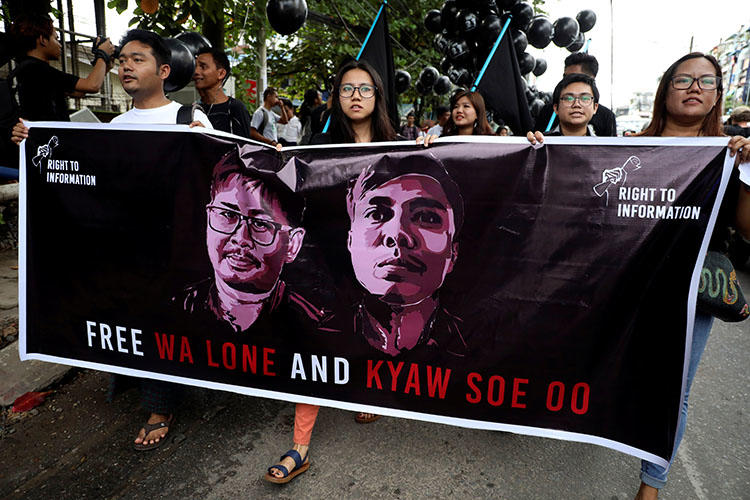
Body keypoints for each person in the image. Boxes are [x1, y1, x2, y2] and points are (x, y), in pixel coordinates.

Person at [12, 28, 214, 450]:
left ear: (163, 71)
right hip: (125, 251)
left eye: (137, 59)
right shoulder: (115, 126)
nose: (124, 65)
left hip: (172, 249)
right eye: (122, 59)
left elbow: (209, 181)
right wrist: (28, 144)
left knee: (163, 324)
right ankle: (144, 386)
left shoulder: (188, 120)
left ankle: (161, 406)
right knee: (132, 321)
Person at [266, 59, 400, 485]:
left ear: (377, 96)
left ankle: (365, 392)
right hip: (327, 258)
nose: (356, 95)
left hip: (377, 261)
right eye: (346, 88)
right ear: (335, 97)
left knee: (372, 327)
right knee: (316, 342)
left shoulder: (401, 145)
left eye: (364, 88)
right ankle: (299, 447)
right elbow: (283, 183)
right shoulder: (319, 144)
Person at [630, 52, 750, 500]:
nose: (694, 86)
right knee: (619, 367)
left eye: (706, 80)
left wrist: (749, 172)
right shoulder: (632, 148)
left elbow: (746, 229)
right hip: (632, 280)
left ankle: (651, 484)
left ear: (718, 94)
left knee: (673, 386)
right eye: (684, 79)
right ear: (666, 89)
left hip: (694, 289)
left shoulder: (731, 154)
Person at [177, 145, 331, 334]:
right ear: (208, 217)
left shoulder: (317, 328)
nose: (241, 238)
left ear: (293, 243)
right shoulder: (175, 308)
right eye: (227, 214)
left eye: (260, 224)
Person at [346, 154, 468, 359]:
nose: (397, 235)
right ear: (350, 240)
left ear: (453, 252)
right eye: (377, 215)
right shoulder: (316, 333)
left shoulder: (477, 345)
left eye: (427, 217)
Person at [8, 14, 115, 122]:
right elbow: (92, 86)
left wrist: (104, 67)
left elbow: (80, 92)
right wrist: (102, 55)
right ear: (43, 40)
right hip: (48, 136)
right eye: (56, 39)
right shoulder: (38, 70)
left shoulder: (27, 69)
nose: (60, 45)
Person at [535, 53, 617, 137]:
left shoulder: (606, 116)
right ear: (556, 108)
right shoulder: (548, 111)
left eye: (574, 77)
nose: (576, 104)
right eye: (565, 77)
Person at [192, 47, 252, 137]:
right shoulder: (194, 109)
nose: (196, 71)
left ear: (221, 74)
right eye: (195, 67)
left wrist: (208, 137)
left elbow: (244, 148)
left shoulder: (235, 109)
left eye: (203, 67)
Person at [526, 73, 600, 144]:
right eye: (569, 98)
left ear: (595, 108)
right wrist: (528, 145)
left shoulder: (604, 147)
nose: (576, 104)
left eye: (585, 98)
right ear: (556, 108)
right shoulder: (542, 142)